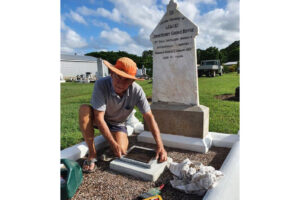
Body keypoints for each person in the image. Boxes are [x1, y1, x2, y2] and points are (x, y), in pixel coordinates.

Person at [79, 57, 168, 173]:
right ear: (112, 73)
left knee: (121, 149)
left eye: (126, 80)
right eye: (118, 77)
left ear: (132, 81)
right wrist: (112, 142)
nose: (121, 83)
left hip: (117, 123)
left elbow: (149, 117)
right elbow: (99, 118)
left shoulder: (137, 91)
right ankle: (92, 154)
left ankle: (111, 139)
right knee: (84, 110)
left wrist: (160, 146)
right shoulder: (101, 84)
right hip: (99, 118)